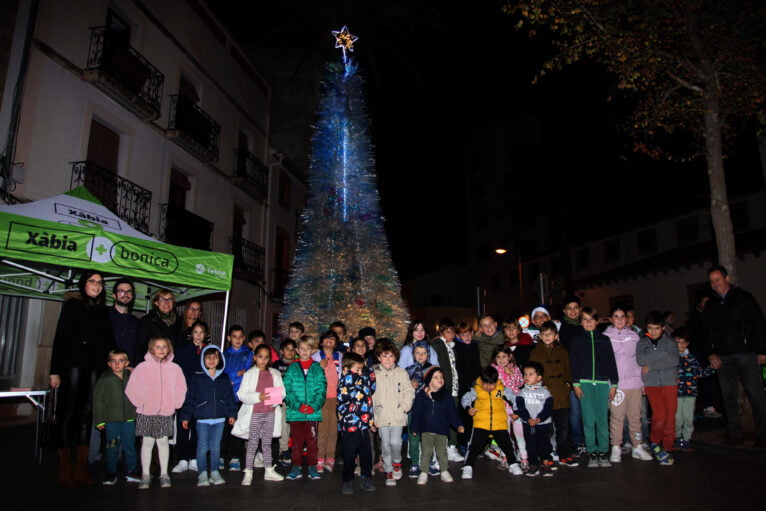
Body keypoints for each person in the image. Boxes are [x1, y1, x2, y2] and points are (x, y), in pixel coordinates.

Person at [49, 270, 116, 486]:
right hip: (73, 365)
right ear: (83, 284)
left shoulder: (102, 311)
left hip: (95, 367)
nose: (97, 286)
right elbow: (60, 338)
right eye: (92, 281)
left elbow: (109, 341)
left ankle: (81, 466)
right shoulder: (72, 306)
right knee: (69, 412)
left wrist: (121, 361)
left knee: (88, 414)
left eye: (100, 283)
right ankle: (65, 467)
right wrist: (54, 370)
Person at [701, 264, 766, 449]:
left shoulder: (744, 298)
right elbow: (706, 331)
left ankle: (763, 434)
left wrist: (762, 351)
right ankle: (734, 433)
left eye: (718, 280)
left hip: (746, 353)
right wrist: (710, 353)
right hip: (723, 357)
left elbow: (758, 323)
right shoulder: (711, 304)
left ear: (727, 278)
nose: (715, 284)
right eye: (712, 281)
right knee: (728, 396)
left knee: (756, 395)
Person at [125, 336, 187, 490]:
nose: (161, 349)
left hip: (166, 412)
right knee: (147, 443)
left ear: (169, 349)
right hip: (147, 412)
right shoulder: (142, 367)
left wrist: (175, 404)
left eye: (164, 346)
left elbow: (181, 388)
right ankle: (145, 474)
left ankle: (164, 474)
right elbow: (131, 388)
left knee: (163, 442)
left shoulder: (175, 369)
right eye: (158, 347)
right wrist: (142, 402)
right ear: (151, 349)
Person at [180, 345, 237, 486]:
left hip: (219, 419)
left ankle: (215, 472)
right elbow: (190, 398)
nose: (211, 360)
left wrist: (232, 413)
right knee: (202, 447)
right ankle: (202, 473)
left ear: (220, 359)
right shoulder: (197, 377)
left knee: (216, 447)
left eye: (215, 357)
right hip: (202, 419)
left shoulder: (224, 378)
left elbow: (229, 397)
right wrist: (186, 416)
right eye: (208, 357)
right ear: (203, 359)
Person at [603, 305, 653, 463]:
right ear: (611, 319)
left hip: (634, 383)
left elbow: (639, 360)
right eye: (616, 317)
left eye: (622, 316)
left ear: (627, 319)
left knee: (635, 417)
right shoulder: (605, 336)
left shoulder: (634, 336)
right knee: (617, 417)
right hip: (616, 385)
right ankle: (616, 446)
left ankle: (637, 446)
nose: (619, 319)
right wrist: (608, 384)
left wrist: (643, 382)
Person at [570, 307, 619, 468]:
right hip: (584, 384)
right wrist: (576, 384)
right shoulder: (577, 340)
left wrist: (614, 384)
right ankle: (592, 451)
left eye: (592, 319)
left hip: (603, 384)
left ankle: (603, 451)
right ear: (581, 322)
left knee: (602, 420)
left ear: (597, 321)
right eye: (585, 319)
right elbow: (574, 363)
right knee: (588, 420)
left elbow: (612, 362)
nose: (588, 322)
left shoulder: (604, 340)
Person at [233, 344, 286, 484]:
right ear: (255, 357)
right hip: (255, 413)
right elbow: (242, 394)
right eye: (260, 357)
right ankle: (248, 471)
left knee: (267, 444)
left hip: (270, 413)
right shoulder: (249, 374)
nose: (263, 360)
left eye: (266, 357)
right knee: (252, 443)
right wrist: (258, 397)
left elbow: (282, 392)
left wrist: (273, 400)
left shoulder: (275, 373)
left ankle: (269, 469)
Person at [528, 321, 579, 467]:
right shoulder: (536, 352)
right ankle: (546, 455)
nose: (547, 337)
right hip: (544, 396)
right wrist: (538, 384)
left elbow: (568, 368)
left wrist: (569, 382)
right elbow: (532, 370)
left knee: (563, 428)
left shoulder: (562, 351)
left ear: (556, 336)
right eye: (544, 334)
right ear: (540, 336)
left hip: (561, 394)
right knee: (546, 429)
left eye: (550, 334)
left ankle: (564, 454)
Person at [459, 365, 522, 480]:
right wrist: (469, 408)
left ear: (496, 381)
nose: (488, 387)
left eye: (492, 384)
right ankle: (468, 466)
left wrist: (516, 410)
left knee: (507, 445)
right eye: (486, 384)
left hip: (499, 423)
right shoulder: (476, 389)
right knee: (474, 447)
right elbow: (465, 398)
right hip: (481, 423)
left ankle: (513, 464)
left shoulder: (502, 389)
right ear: (481, 381)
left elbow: (515, 397)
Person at [636, 310, 680, 465]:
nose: (653, 332)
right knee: (659, 415)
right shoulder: (642, 343)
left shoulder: (671, 342)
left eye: (657, 328)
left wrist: (652, 365)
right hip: (652, 384)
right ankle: (655, 441)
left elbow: (674, 360)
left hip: (669, 383)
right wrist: (662, 354)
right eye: (650, 328)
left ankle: (667, 447)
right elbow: (641, 360)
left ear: (663, 328)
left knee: (670, 417)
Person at [409, 367, 464, 485]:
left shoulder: (447, 397)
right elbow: (417, 413)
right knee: (426, 451)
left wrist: (458, 424)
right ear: (429, 381)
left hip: (441, 429)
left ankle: (444, 470)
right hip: (426, 429)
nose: (440, 379)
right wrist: (414, 427)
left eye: (441, 377)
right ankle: (423, 472)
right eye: (436, 377)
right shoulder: (422, 396)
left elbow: (452, 414)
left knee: (442, 452)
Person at [92, 348, 139, 485]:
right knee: (111, 446)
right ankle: (111, 472)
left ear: (127, 363)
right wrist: (99, 420)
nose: (117, 364)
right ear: (109, 364)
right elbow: (98, 400)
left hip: (129, 419)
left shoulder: (131, 377)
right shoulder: (105, 379)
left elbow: (142, 387)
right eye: (113, 361)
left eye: (121, 361)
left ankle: (132, 471)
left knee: (129, 445)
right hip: (111, 419)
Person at [372, 339, 415, 486]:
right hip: (381, 416)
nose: (388, 360)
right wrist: (372, 417)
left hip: (397, 415)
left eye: (391, 356)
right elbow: (369, 396)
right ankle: (388, 469)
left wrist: (404, 406)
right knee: (385, 445)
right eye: (384, 356)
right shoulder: (374, 374)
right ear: (379, 357)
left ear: (395, 357)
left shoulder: (401, 373)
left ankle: (397, 461)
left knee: (395, 442)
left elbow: (409, 391)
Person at [283, 336, 326, 481]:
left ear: (313, 351)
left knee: (312, 442)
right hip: (296, 413)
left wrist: (314, 406)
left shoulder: (317, 368)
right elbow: (287, 390)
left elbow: (322, 389)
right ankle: (296, 466)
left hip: (312, 414)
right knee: (296, 442)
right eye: (302, 348)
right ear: (297, 350)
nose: (305, 351)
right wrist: (298, 406)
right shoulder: (292, 368)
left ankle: (312, 466)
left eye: (308, 348)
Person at [171, 320, 209, 473]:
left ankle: (194, 457)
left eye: (201, 332)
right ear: (191, 334)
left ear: (205, 334)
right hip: (185, 393)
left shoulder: (209, 351)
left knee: (197, 427)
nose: (198, 335)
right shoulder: (182, 350)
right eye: (195, 332)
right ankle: (182, 458)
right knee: (183, 426)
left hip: (201, 394)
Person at [337, 352, 377, 494]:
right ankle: (347, 480)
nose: (360, 372)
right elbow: (343, 396)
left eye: (361, 369)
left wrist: (371, 421)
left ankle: (366, 477)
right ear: (347, 369)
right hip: (349, 427)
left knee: (366, 455)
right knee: (349, 456)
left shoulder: (364, 380)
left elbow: (369, 399)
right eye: (357, 369)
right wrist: (351, 377)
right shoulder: (344, 381)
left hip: (364, 426)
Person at [673, 327, 715, 452]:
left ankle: (687, 439)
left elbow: (699, 373)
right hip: (677, 393)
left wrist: (711, 368)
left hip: (691, 393)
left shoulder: (692, 358)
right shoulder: (672, 359)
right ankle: (677, 438)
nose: (680, 345)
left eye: (683, 342)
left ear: (687, 344)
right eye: (677, 342)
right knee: (677, 418)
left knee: (688, 418)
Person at [430, 318, 465, 462]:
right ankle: (440, 449)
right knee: (440, 417)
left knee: (453, 416)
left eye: (452, 332)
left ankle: (452, 446)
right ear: (442, 332)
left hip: (454, 387)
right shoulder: (437, 344)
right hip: (443, 387)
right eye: (447, 332)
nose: (451, 334)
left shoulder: (454, 346)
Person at [516, 362, 555, 477]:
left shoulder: (545, 392)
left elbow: (548, 408)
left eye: (530, 374)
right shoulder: (522, 392)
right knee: (530, 445)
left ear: (539, 378)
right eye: (525, 374)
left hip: (542, 424)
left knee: (544, 444)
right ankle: (533, 465)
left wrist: (539, 419)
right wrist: (528, 419)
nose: (526, 377)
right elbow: (520, 408)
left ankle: (546, 464)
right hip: (528, 424)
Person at [222, 325, 252, 472]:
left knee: (238, 428)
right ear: (229, 338)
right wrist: (234, 376)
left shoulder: (248, 354)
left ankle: (236, 457)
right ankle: (221, 456)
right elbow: (222, 373)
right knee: (224, 428)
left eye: (240, 336)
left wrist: (234, 376)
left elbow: (247, 371)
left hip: (240, 397)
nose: (238, 339)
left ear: (244, 338)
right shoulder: (224, 355)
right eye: (234, 336)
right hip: (226, 396)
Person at [312, 330, 343, 473]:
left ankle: (330, 457)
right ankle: (319, 458)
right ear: (321, 342)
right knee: (322, 429)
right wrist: (318, 367)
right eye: (327, 338)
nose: (330, 341)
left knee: (333, 429)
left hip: (336, 397)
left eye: (333, 339)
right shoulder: (316, 357)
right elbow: (309, 374)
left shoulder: (340, 357)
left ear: (336, 343)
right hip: (322, 397)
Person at [558, 296, 586, 455]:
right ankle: (577, 441)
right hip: (570, 376)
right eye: (569, 308)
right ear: (564, 311)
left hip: (587, 376)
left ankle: (589, 441)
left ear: (580, 309)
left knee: (588, 413)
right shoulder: (562, 329)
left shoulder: (586, 326)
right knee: (574, 413)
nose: (573, 311)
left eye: (576, 308)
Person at [491, 345, 526, 469]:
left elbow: (521, 382)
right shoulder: (493, 370)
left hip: (515, 406)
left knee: (519, 433)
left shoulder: (514, 368)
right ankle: (506, 456)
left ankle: (524, 458)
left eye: (504, 356)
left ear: (509, 357)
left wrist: (511, 373)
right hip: (500, 406)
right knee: (503, 433)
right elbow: (490, 386)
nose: (501, 360)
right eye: (498, 357)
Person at [405, 340, 433, 474]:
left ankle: (430, 461)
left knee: (428, 437)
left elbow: (438, 386)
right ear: (413, 354)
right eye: (417, 353)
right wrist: (411, 387)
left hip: (428, 410)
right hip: (413, 409)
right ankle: (415, 462)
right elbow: (403, 389)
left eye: (424, 353)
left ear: (428, 354)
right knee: (413, 437)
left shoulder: (433, 370)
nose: (421, 356)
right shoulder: (408, 370)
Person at [135, 289, 182, 361]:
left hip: (174, 365)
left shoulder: (180, 321)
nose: (166, 302)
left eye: (170, 299)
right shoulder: (147, 321)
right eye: (162, 299)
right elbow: (140, 348)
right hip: (152, 365)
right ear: (156, 303)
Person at [273, 338, 297, 464]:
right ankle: (284, 449)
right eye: (287, 349)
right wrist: (274, 401)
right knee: (283, 424)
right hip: (281, 400)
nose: (290, 352)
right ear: (281, 351)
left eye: (292, 350)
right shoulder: (276, 365)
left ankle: (296, 448)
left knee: (295, 425)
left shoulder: (298, 364)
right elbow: (273, 383)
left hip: (295, 400)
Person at [109, 278, 138, 360]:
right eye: (121, 291)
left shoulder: (136, 322)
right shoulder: (104, 317)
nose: (125, 294)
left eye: (129, 291)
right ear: (114, 296)